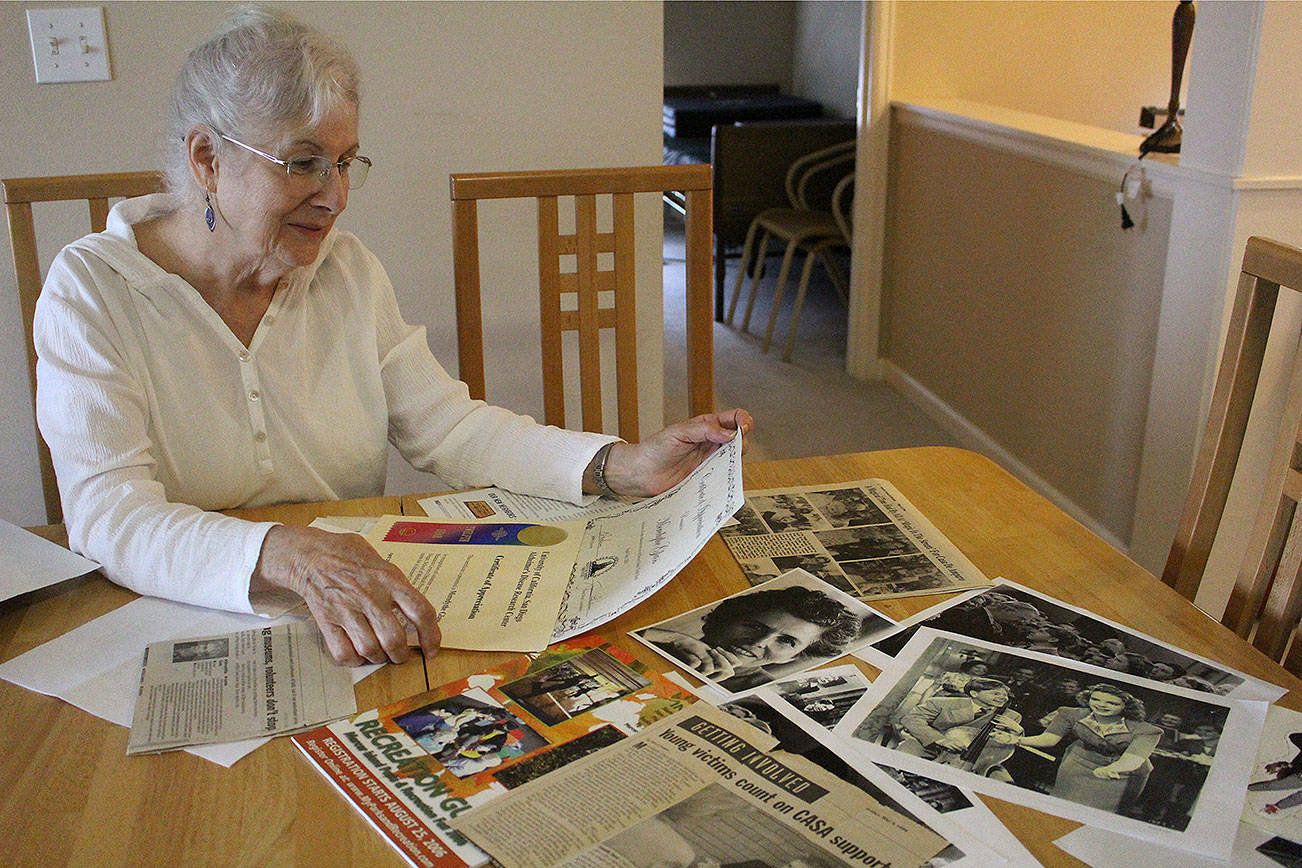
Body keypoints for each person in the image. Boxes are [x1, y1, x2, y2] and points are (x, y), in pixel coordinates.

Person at [33, 6, 752, 667]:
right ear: (207, 160)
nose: (336, 195)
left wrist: (617, 465)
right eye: (304, 162)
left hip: (352, 631)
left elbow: (450, 427)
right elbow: (107, 516)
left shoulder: (345, 269)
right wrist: (289, 555)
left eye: (345, 162)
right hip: (180, 634)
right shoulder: (93, 289)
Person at [641, 585, 862, 691]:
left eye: (786, 641)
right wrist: (663, 637)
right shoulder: (659, 639)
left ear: (792, 658)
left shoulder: (762, 694)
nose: (759, 642)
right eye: (754, 626)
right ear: (722, 619)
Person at [1016, 683, 1162, 813]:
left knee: (1100, 814)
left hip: (1122, 775)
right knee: (1063, 805)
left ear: (1126, 706)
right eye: (1095, 699)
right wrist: (1018, 739)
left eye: (1112, 703)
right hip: (1077, 763)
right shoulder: (1070, 714)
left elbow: (1132, 760)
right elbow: (1048, 739)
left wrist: (1112, 769)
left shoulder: (1147, 731)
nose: (1101, 705)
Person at [896, 678, 1023, 778]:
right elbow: (911, 719)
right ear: (974, 693)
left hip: (974, 760)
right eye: (996, 693)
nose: (1003, 698)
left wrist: (1018, 730)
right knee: (902, 761)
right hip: (929, 745)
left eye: (1005, 695)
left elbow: (1011, 743)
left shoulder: (1012, 716)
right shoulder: (941, 702)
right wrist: (940, 739)